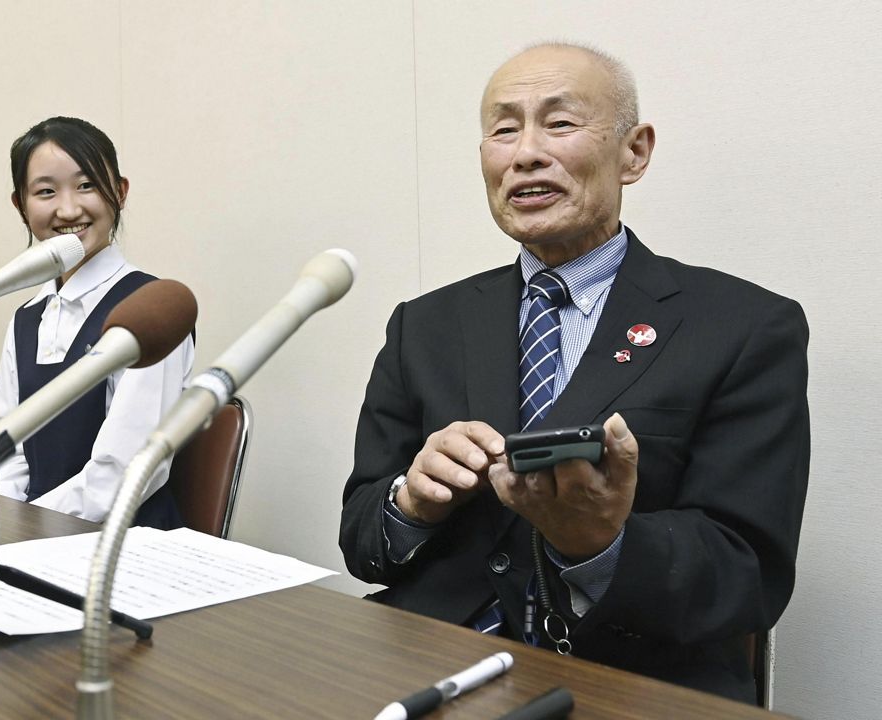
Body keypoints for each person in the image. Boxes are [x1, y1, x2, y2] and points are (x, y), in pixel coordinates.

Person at [339, 43, 810, 703]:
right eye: (504, 128)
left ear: (635, 152)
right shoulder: (425, 325)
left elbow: (747, 578)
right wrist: (410, 503)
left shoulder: (743, 327)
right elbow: (362, 540)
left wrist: (601, 544)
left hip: (630, 680)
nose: (526, 152)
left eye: (559, 124)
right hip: (432, 666)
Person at [0, 116, 193, 529]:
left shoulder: (151, 311)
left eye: (87, 186)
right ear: (20, 205)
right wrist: (3, 525)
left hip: (124, 548)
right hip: (33, 543)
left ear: (119, 192)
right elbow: (5, 450)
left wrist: (28, 529)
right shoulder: (27, 318)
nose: (68, 209)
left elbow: (123, 472)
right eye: (46, 191)